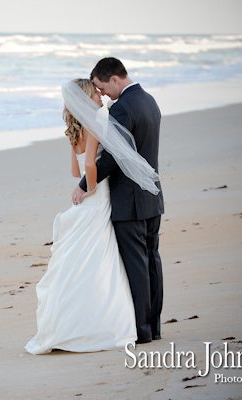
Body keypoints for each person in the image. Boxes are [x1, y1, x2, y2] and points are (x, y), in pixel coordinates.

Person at [25, 79, 137, 355]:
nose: (100, 97)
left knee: (82, 259)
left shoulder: (72, 131)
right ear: (87, 98)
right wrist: (91, 187)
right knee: (101, 257)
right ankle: (101, 322)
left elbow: (75, 171)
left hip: (87, 201)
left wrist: (84, 183)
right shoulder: (95, 124)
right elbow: (88, 167)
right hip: (97, 198)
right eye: (96, 94)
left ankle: (69, 324)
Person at [72, 57, 164, 344]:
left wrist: (85, 185)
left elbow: (114, 157)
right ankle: (154, 327)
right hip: (152, 197)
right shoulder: (149, 100)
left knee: (137, 266)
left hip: (130, 201)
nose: (102, 95)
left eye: (101, 87)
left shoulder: (123, 108)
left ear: (114, 78)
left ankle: (142, 331)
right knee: (152, 262)